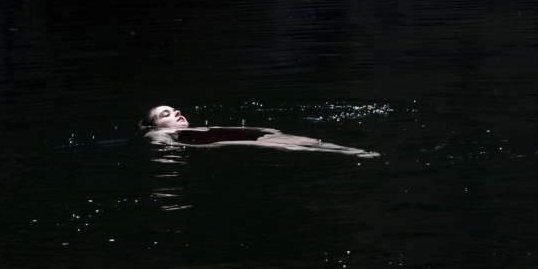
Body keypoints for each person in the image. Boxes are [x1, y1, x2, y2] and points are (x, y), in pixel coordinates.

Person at [140, 104, 379, 157]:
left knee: (311, 140)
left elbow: (226, 128)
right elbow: (157, 141)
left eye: (174, 110)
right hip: (241, 143)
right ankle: (352, 154)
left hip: (256, 135)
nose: (176, 113)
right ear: (155, 125)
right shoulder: (157, 133)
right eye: (166, 114)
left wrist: (264, 129)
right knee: (293, 147)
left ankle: (353, 150)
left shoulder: (198, 127)